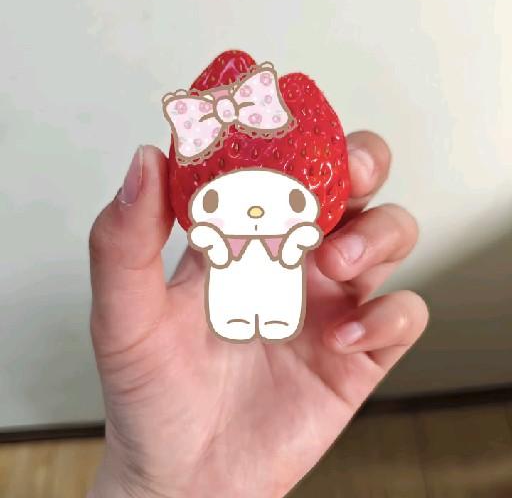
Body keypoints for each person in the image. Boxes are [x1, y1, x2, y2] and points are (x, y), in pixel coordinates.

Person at [87, 131, 428, 498]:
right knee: (235, 298)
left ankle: (277, 318)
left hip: (283, 289)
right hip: (230, 291)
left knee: (280, 297)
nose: (254, 212)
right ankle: (243, 318)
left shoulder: (292, 240)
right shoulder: (219, 240)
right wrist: (150, 488)